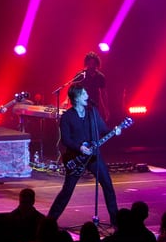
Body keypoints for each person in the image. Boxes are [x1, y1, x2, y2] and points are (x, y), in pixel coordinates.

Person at [46, 82, 123, 227]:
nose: (87, 96)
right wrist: (79, 148)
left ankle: (116, 221)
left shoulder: (92, 112)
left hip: (94, 157)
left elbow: (103, 129)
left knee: (108, 185)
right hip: (76, 158)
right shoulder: (67, 117)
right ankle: (49, 221)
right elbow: (65, 139)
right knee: (67, 191)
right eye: (84, 94)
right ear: (76, 98)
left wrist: (115, 130)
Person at [73, 51, 110, 124]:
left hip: (94, 105)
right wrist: (67, 101)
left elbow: (103, 94)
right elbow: (73, 89)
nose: (91, 66)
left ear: (97, 64)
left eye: (93, 64)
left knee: (93, 125)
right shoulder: (81, 75)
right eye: (89, 63)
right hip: (82, 104)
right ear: (86, 64)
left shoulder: (100, 77)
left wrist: (106, 109)